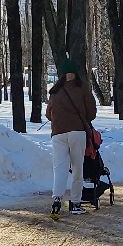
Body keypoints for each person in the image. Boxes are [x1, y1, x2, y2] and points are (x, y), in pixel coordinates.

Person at [45, 55, 96, 219]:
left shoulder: (55, 91)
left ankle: (57, 200)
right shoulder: (82, 88)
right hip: (77, 133)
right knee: (77, 169)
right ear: (75, 72)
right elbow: (91, 114)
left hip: (58, 135)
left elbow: (48, 115)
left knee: (59, 169)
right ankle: (75, 203)